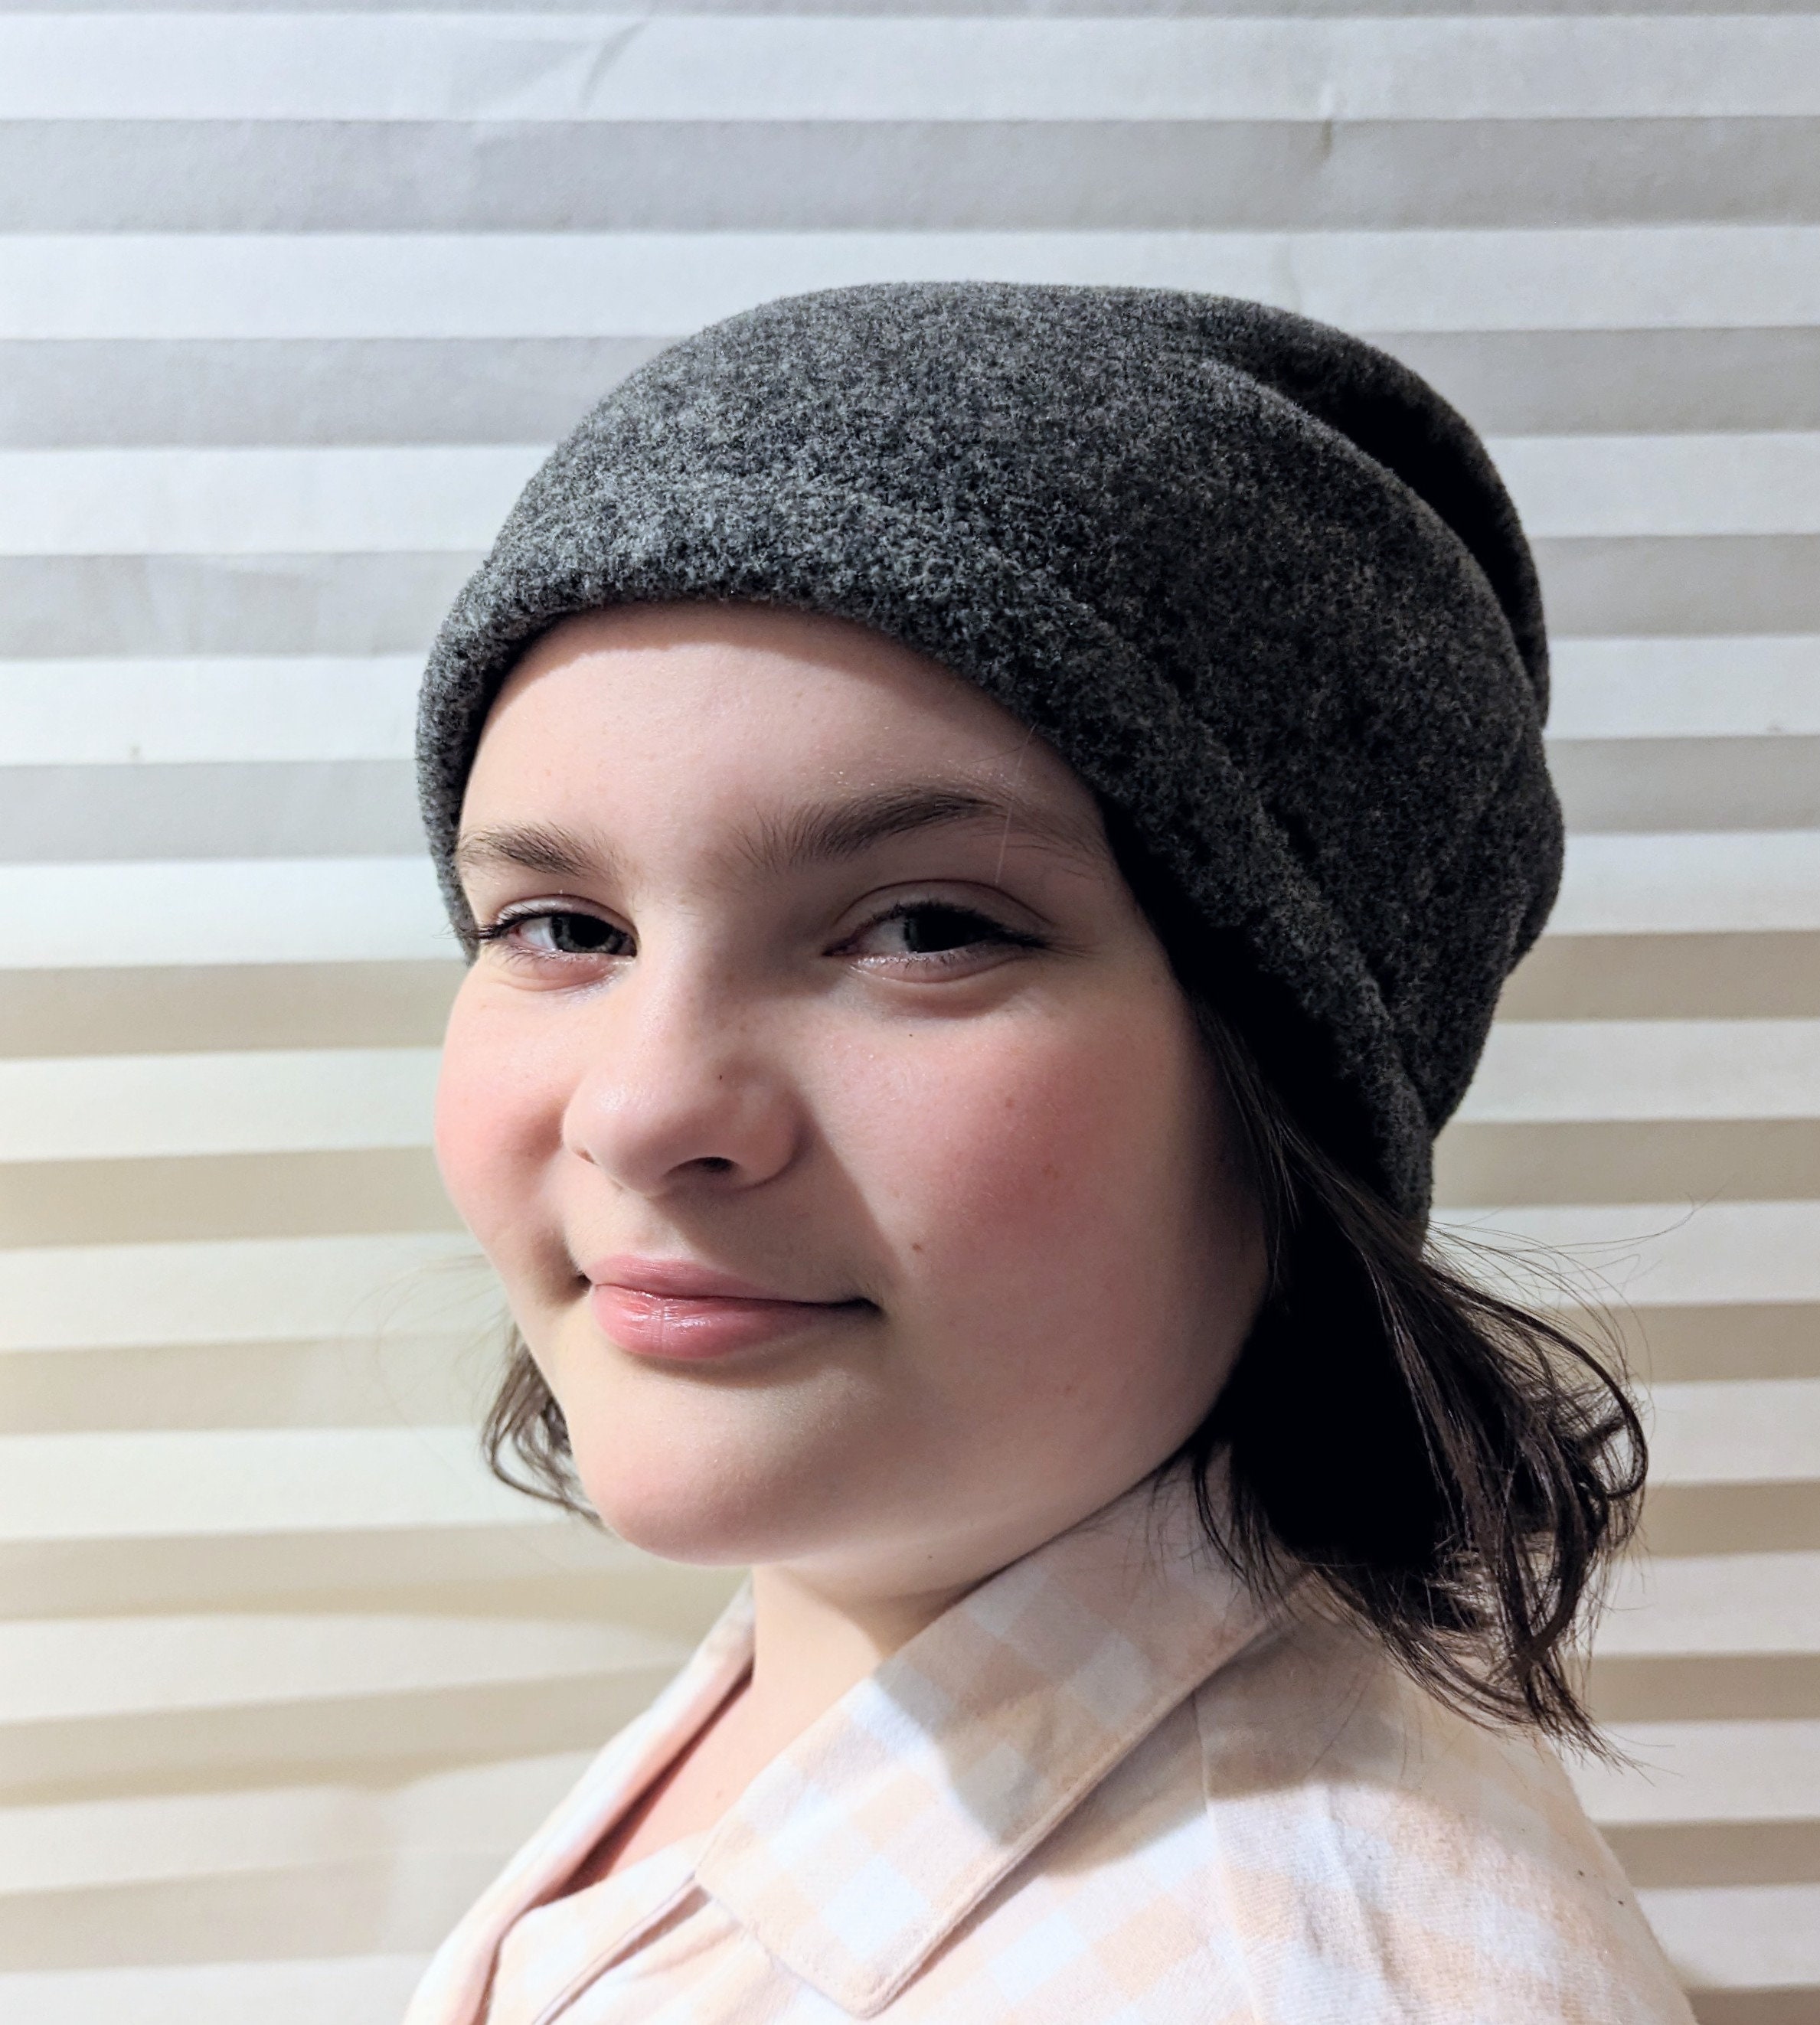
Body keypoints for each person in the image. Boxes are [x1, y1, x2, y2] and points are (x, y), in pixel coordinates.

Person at [403, 283, 1693, 2024]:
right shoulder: (858, 1617)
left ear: (1291, 1079)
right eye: (562, 926)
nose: (638, 1112)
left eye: (926, 927)